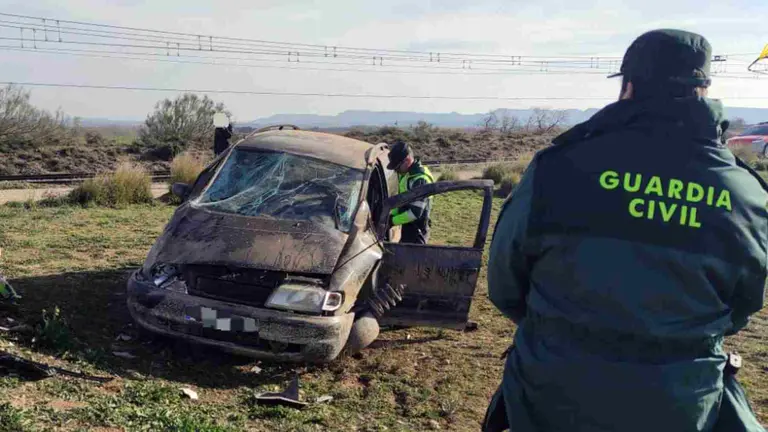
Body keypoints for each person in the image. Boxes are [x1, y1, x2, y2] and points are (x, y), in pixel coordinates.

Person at [483, 29, 767, 432]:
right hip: (681, 404)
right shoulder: (743, 191)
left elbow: (505, 285)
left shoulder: (557, 169)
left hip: (552, 397)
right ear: (704, 88)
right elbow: (743, 305)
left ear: (628, 86)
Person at [387, 140, 435, 244]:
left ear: (407, 160)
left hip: (417, 231)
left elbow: (415, 213)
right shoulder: (408, 174)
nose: (396, 170)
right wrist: (391, 214)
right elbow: (402, 200)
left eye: (397, 166)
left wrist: (392, 221)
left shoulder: (420, 180)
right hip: (408, 226)